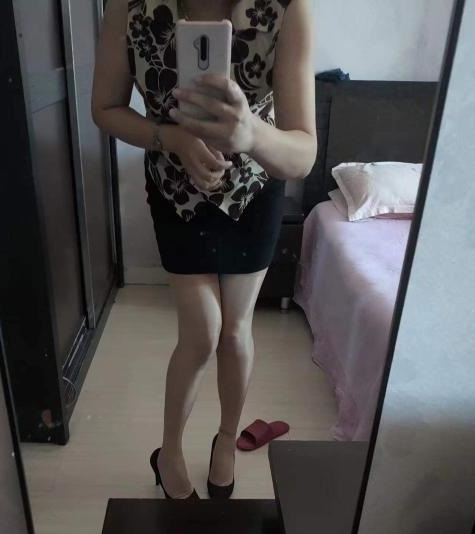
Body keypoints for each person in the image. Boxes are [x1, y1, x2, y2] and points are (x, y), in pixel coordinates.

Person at [92, 0, 316, 500]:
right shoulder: (128, 7)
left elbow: (303, 153)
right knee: (201, 334)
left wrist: (250, 132)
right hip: (176, 192)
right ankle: (169, 452)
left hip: (254, 190)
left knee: (235, 331)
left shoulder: (286, 8)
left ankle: (226, 440)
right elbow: (104, 109)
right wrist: (171, 138)